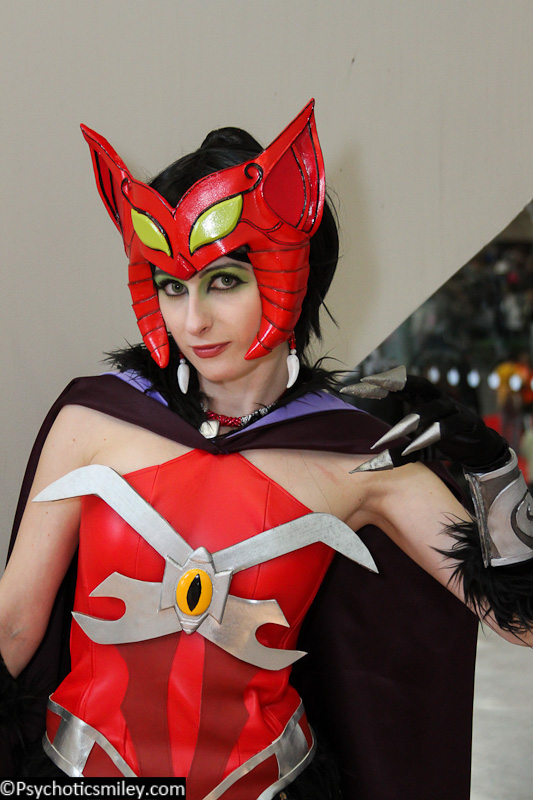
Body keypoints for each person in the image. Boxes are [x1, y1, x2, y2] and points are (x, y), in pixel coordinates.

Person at [1, 100, 532, 799]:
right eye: (171, 287)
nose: (193, 320)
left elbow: (521, 624)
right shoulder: (93, 421)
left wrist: (493, 471)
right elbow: (14, 628)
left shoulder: (359, 460)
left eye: (223, 281)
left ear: (289, 276)